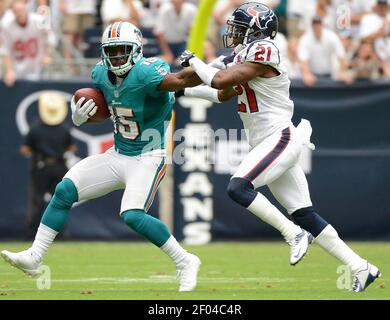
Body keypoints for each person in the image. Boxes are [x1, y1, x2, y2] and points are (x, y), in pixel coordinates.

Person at [177, 2, 381, 292]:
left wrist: (193, 60)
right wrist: (178, 89)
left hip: (279, 137)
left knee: (238, 187)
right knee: (305, 213)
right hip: (268, 141)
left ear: (255, 31)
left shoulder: (264, 51)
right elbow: (219, 91)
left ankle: (292, 233)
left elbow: (218, 78)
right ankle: (361, 267)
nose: (233, 33)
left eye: (239, 28)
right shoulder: (241, 56)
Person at [1, 21, 203, 292]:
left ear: (136, 49)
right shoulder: (100, 74)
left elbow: (178, 81)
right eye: (112, 50)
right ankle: (34, 257)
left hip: (148, 156)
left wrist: (205, 69)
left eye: (122, 50)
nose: (117, 56)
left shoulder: (146, 72)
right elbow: (109, 112)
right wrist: (78, 117)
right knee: (64, 191)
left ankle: (185, 260)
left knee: (132, 214)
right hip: (118, 154)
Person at [20, 92, 77, 240]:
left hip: (40, 167)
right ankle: (61, 234)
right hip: (59, 167)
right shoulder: (64, 128)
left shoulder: (35, 128)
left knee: (37, 201)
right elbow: (71, 148)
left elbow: (25, 149)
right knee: (59, 201)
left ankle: (31, 234)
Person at [0, 0, 55, 87]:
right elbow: (4, 50)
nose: (20, 13)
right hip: (18, 68)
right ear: (13, 12)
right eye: (17, 11)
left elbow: (49, 38)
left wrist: (47, 54)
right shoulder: (6, 26)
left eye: (21, 10)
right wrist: (9, 70)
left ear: (26, 8)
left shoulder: (39, 20)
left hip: (38, 66)